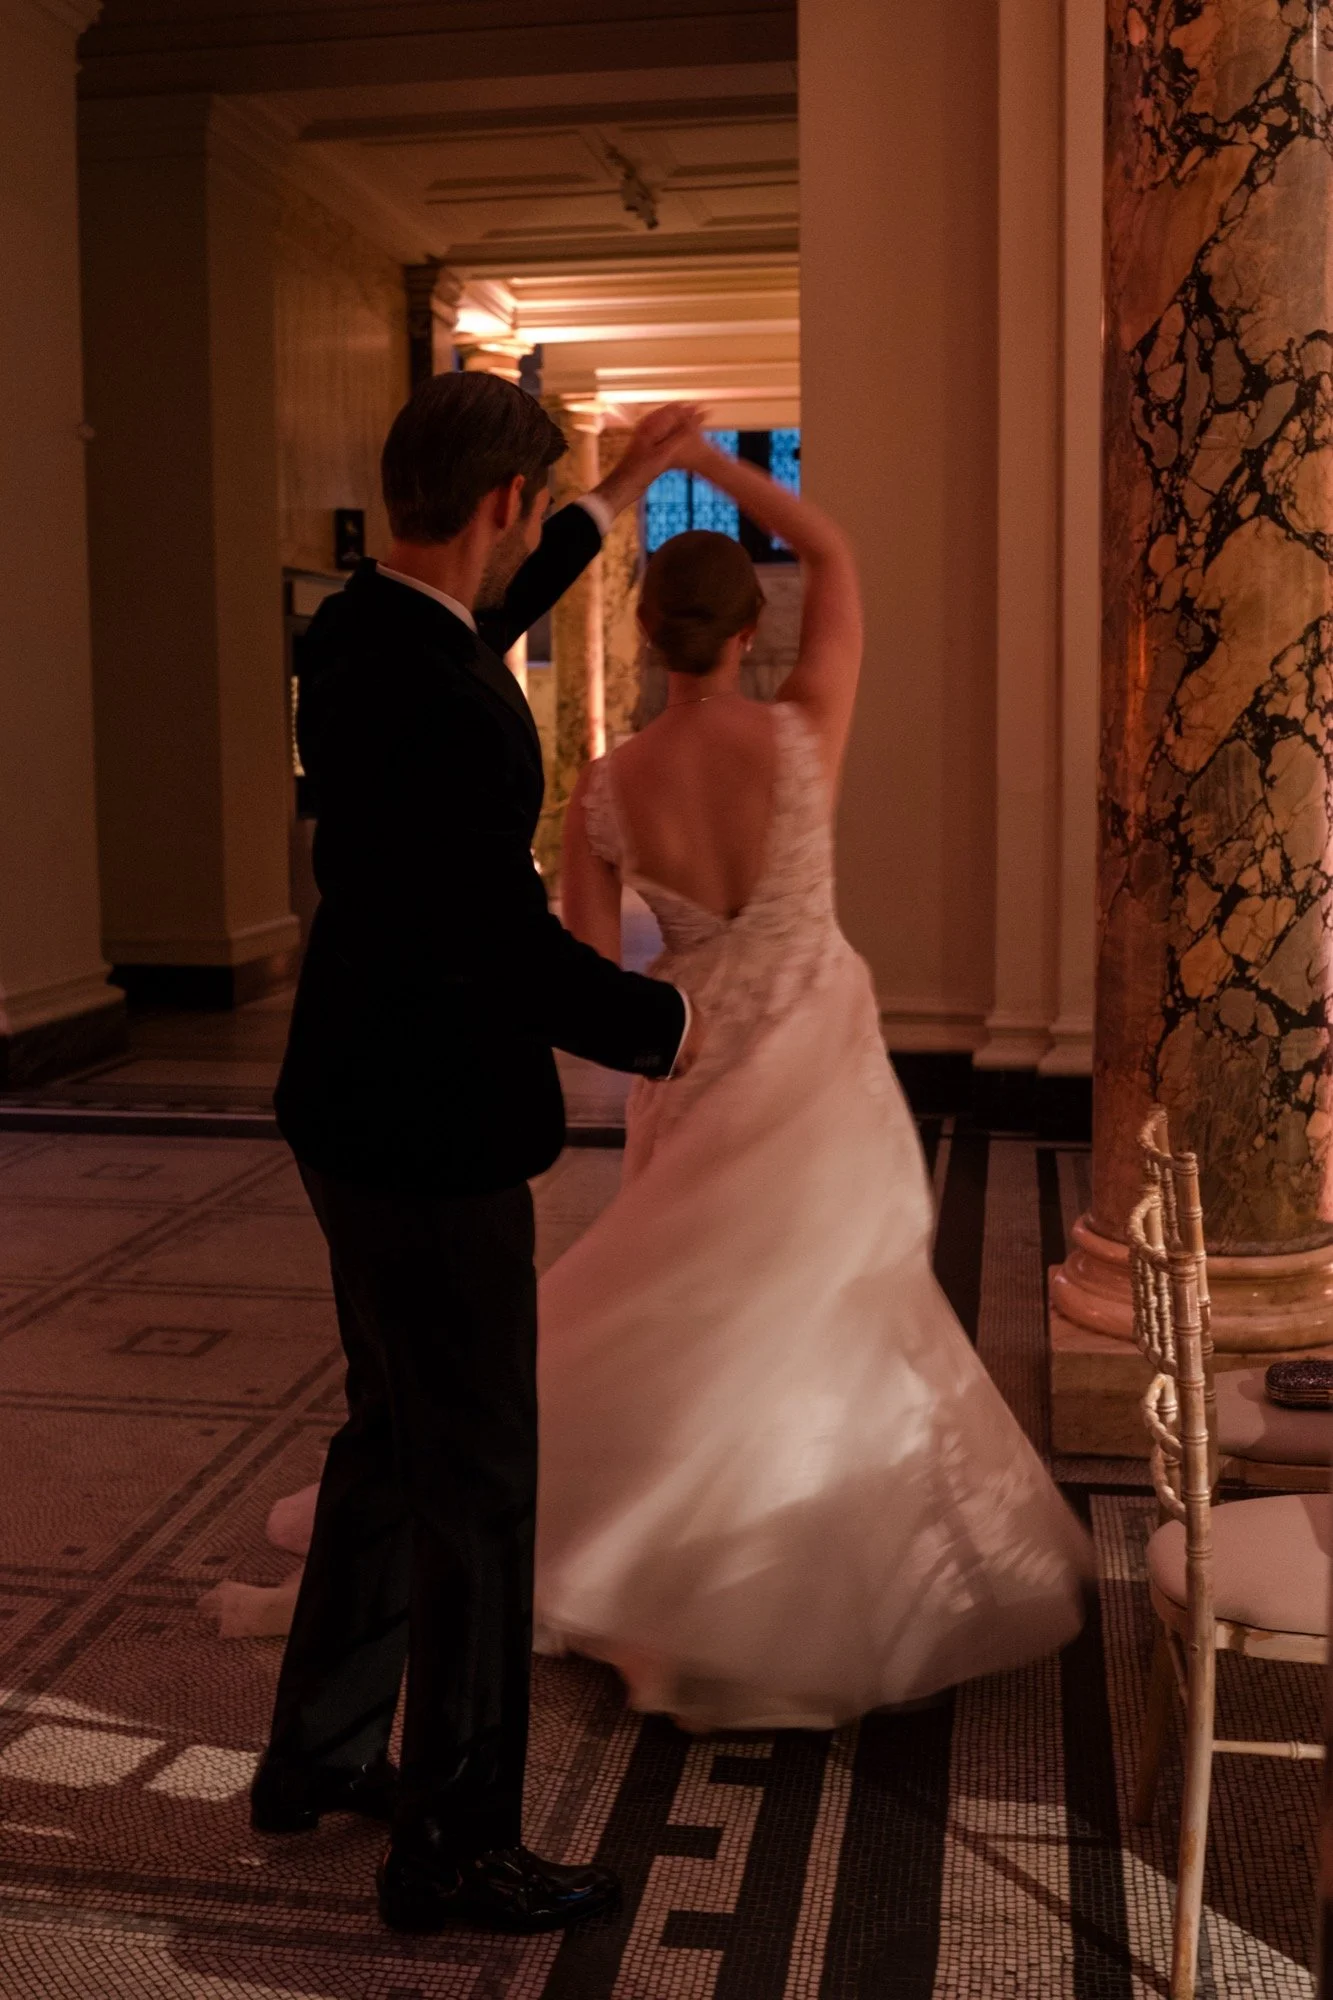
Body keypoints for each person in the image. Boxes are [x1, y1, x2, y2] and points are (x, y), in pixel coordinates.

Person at [533, 425, 1092, 1730]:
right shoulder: (801, 734)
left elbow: (588, 980)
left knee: (697, 1311)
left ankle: (662, 1604)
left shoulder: (606, 788)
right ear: (745, 629)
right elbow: (835, 549)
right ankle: (758, 1582)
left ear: (651, 627)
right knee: (817, 1305)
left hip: (699, 1053)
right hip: (819, 1056)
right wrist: (708, 460)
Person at [249, 374, 703, 1937]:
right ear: (500, 506)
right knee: (479, 1487)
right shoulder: (437, 690)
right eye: (538, 514)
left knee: (389, 1438)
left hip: (343, 1105)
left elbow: (481, 631)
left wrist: (611, 500)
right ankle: (452, 1845)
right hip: (432, 1131)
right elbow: (499, 944)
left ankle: (311, 1755)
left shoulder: (364, 637)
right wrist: (673, 1026)